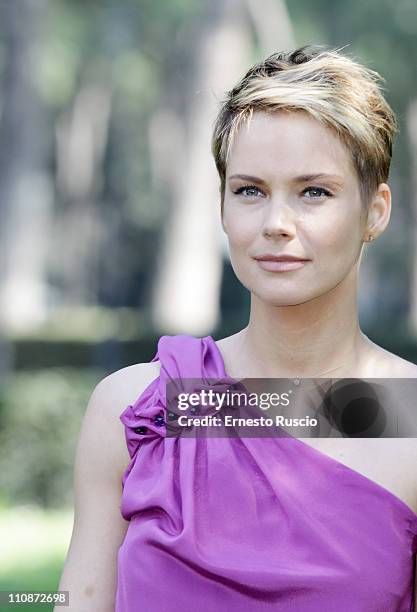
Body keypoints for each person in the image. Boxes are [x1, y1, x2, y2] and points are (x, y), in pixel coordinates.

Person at [56, 45, 417, 611]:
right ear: (223, 206)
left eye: (314, 192)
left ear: (375, 210)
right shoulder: (141, 408)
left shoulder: (410, 415)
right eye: (250, 190)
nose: (276, 224)